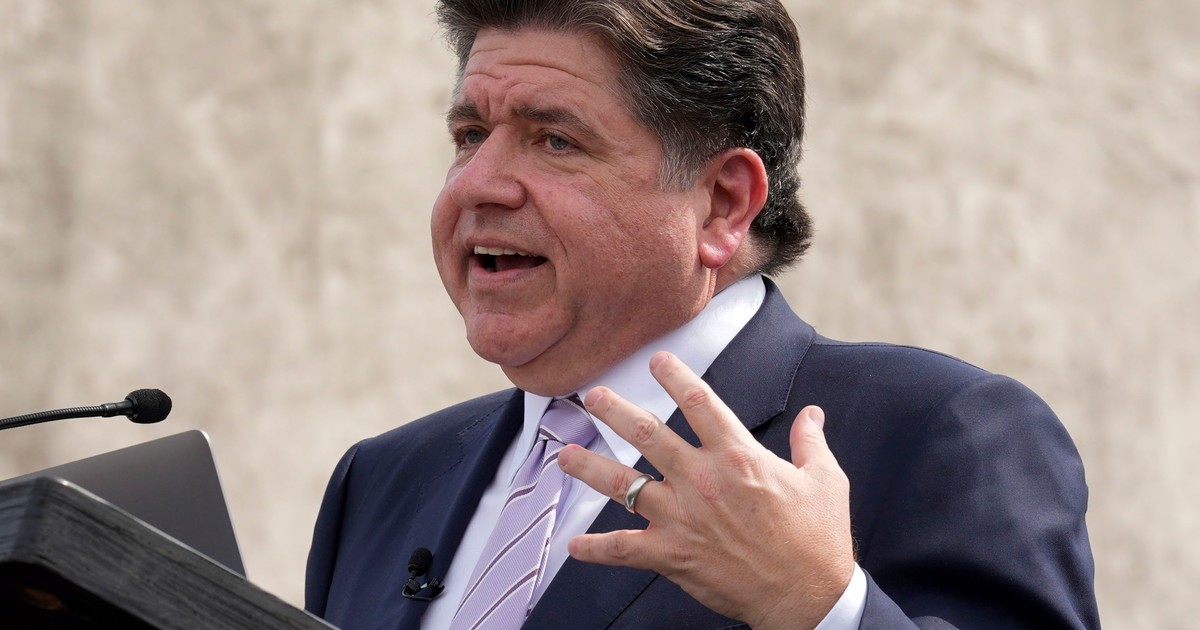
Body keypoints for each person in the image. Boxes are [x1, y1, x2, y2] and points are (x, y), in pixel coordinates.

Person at [305, 0, 1100, 628]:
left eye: (555, 141)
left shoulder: (939, 433)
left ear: (722, 203)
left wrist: (821, 608)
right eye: (471, 133)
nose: (479, 183)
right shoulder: (382, 480)